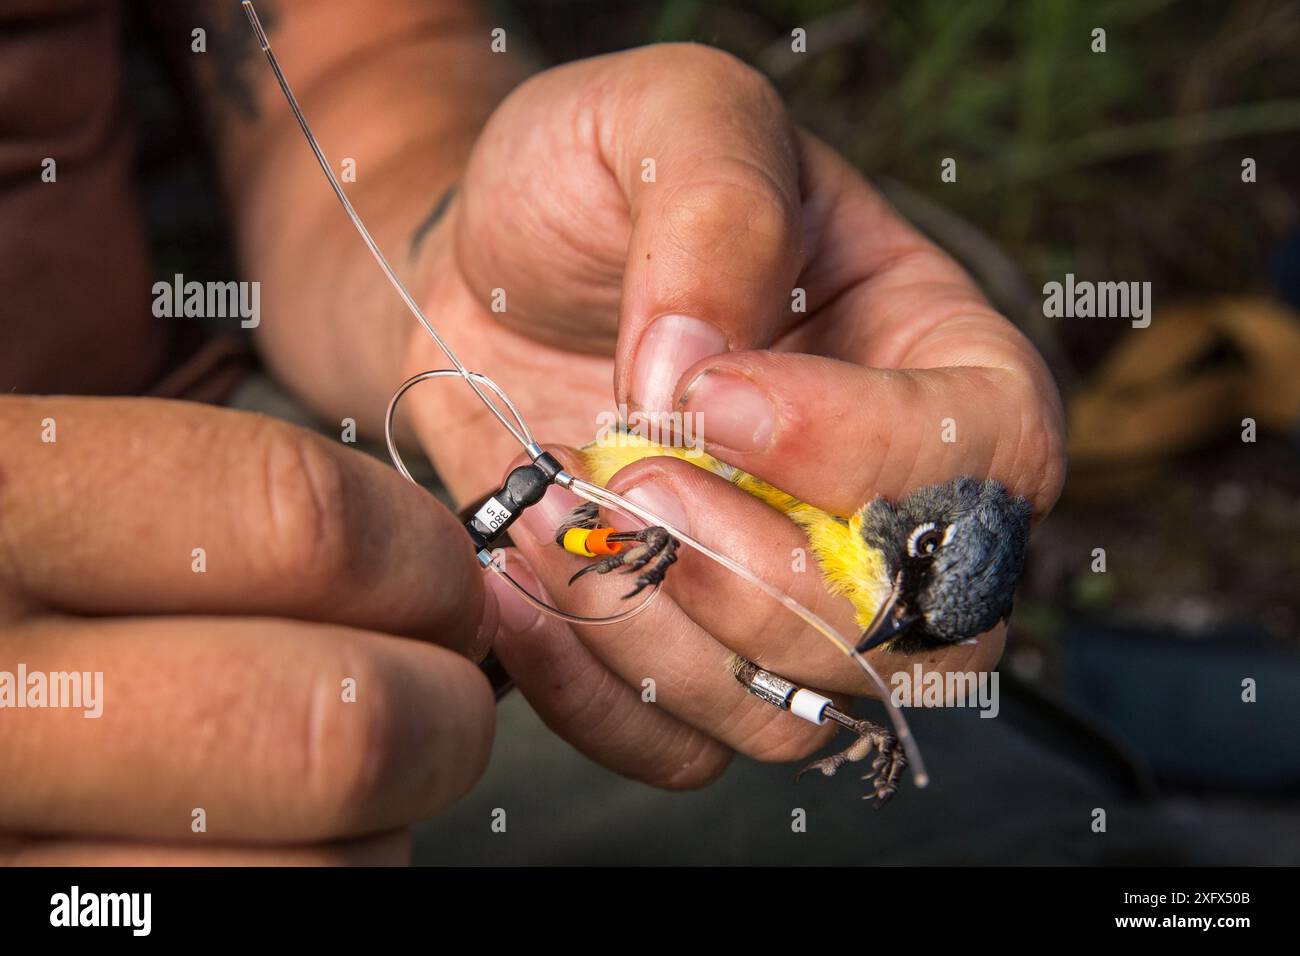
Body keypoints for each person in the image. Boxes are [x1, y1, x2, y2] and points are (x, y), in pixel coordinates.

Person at [0, 0, 1064, 864]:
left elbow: (351, 49)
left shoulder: (836, 526)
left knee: (1036, 833)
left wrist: (452, 260)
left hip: (220, 444)